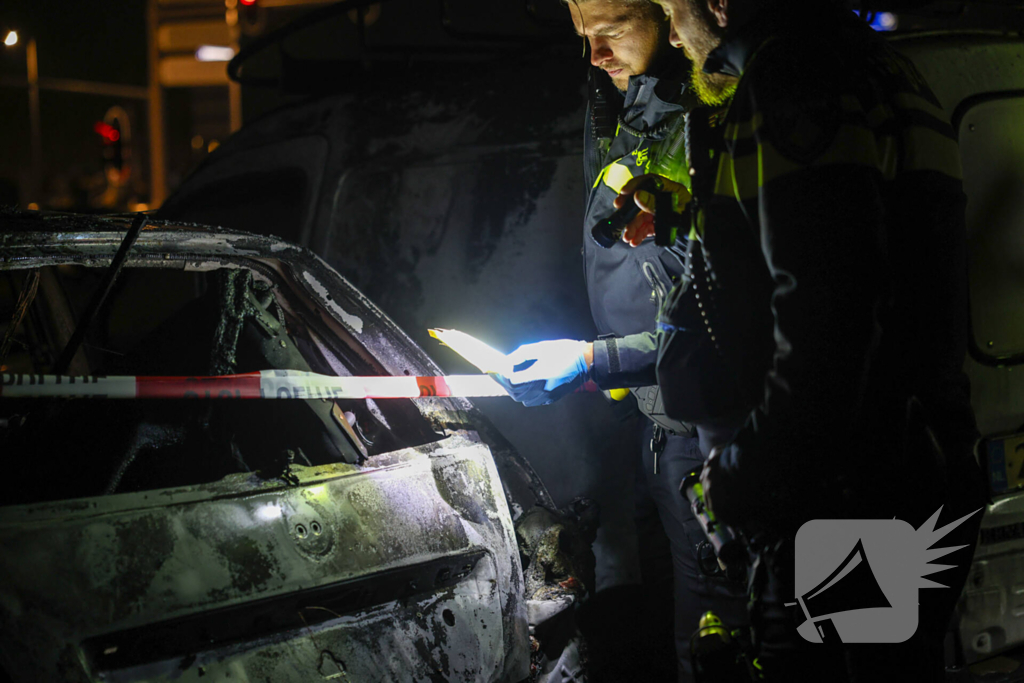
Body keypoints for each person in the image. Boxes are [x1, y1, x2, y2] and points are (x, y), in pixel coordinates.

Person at [610, 0, 987, 680]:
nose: (675, 37)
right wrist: (693, 218)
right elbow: (837, 231)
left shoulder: (794, 78)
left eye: (673, 10)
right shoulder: (869, 64)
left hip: (845, 491)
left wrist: (747, 472)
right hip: (889, 467)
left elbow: (830, 316)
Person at [496, 0, 748, 678]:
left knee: (719, 644)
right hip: (660, 421)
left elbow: (732, 320)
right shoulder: (623, 99)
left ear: (669, 15)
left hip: (709, 428)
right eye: (584, 36)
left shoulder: (714, 110)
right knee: (679, 634)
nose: (596, 55)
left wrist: (590, 360)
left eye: (610, 32)